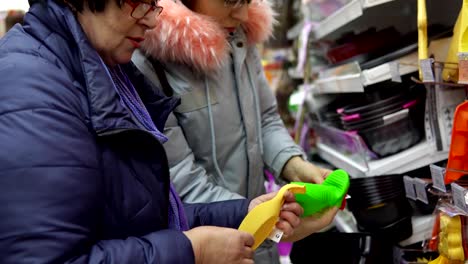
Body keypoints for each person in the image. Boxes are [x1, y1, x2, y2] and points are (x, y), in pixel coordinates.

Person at [0, 0, 305, 263]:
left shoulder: (105, 69)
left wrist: (243, 212)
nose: (152, 18)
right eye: (136, 2)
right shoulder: (32, 87)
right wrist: (191, 252)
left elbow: (144, 213)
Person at [132, 0, 339, 262]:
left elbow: (265, 118)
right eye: (231, 1)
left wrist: (294, 164)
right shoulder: (147, 61)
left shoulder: (240, 36)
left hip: (263, 238)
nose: (242, 14)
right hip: (211, 247)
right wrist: (264, 218)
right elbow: (180, 178)